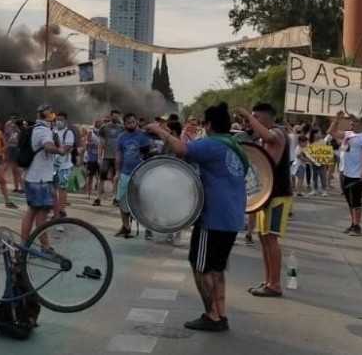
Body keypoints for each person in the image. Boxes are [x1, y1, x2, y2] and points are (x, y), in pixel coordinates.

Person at [144, 102, 247, 331]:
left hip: (213, 218)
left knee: (200, 266)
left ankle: (211, 316)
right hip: (232, 217)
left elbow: (182, 150)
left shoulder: (212, 144)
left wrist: (160, 131)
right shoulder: (235, 146)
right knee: (217, 269)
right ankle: (221, 315)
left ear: (208, 125)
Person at [235, 103, 293, 298]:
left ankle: (275, 284)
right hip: (266, 193)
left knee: (271, 238)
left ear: (267, 118)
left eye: (255, 117)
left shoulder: (277, 133)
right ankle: (269, 280)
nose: (252, 121)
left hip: (278, 194)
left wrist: (247, 116)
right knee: (264, 237)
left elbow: (269, 137)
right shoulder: (263, 137)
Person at [21, 104, 66, 243]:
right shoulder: (44, 131)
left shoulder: (34, 129)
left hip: (33, 177)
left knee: (38, 212)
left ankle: (41, 245)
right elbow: (48, 146)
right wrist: (60, 150)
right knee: (35, 213)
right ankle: (25, 246)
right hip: (40, 179)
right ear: (48, 115)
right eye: (53, 114)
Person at [327, 112, 362, 236]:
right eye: (351, 121)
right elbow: (331, 132)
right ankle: (353, 223)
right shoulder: (348, 134)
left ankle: (357, 226)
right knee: (349, 201)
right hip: (345, 172)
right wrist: (336, 119)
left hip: (357, 175)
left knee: (356, 201)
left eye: (355, 121)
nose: (352, 123)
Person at [113, 112, 152, 238]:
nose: (131, 124)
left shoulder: (143, 135)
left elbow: (148, 154)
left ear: (136, 122)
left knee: (144, 201)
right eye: (128, 122)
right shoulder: (122, 137)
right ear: (124, 124)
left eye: (133, 122)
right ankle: (125, 226)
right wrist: (117, 172)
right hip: (125, 172)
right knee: (122, 199)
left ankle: (148, 228)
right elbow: (119, 155)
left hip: (140, 173)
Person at [95, 110, 124, 206]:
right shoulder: (104, 128)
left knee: (116, 178)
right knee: (101, 177)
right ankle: (98, 198)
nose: (115, 118)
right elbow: (100, 144)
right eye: (114, 116)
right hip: (106, 156)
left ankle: (115, 197)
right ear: (111, 116)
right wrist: (99, 157)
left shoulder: (122, 129)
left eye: (117, 116)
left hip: (117, 157)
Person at [52, 111, 75, 216]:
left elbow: (68, 147)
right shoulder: (53, 131)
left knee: (62, 188)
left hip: (64, 166)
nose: (59, 121)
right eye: (57, 119)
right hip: (53, 166)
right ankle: (55, 211)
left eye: (61, 119)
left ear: (66, 121)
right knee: (53, 189)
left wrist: (56, 150)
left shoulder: (68, 133)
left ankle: (62, 210)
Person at [4, 114, 24, 194]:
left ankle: (22, 187)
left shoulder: (21, 125)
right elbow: (6, 135)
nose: (13, 121)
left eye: (14, 119)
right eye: (12, 119)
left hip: (17, 147)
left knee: (19, 169)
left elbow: (22, 135)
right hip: (10, 147)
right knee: (13, 169)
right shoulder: (8, 124)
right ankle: (16, 187)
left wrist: (17, 128)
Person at [83, 125, 100, 200]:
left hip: (100, 157)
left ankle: (99, 195)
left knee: (100, 177)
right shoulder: (91, 133)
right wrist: (93, 145)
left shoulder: (102, 133)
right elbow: (87, 144)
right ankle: (88, 193)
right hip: (91, 157)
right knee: (90, 176)